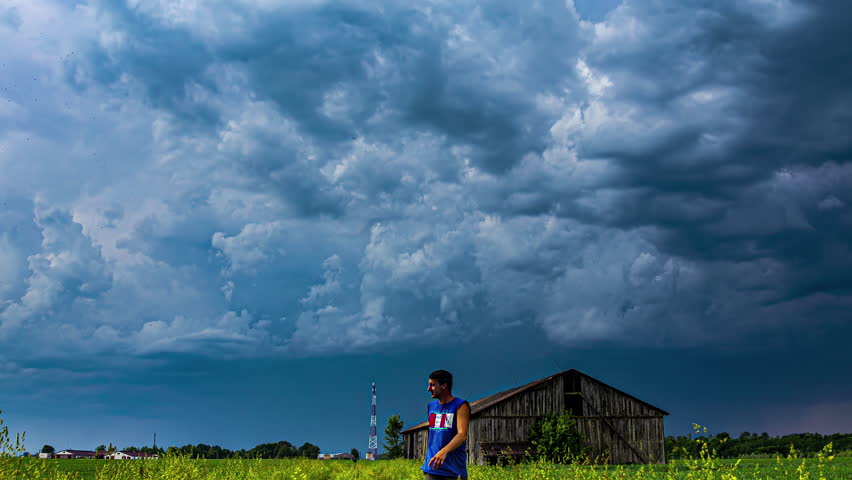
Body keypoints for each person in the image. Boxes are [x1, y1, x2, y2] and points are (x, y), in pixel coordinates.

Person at [422, 369, 470, 480]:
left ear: (444, 386)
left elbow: (462, 434)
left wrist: (444, 451)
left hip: (452, 470)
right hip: (432, 468)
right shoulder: (431, 406)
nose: (429, 389)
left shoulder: (461, 405)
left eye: (432, 385)